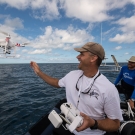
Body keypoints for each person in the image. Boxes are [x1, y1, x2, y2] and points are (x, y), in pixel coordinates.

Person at [30, 42, 123, 135]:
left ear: (93, 58)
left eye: (82, 54)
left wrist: (94, 123)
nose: (77, 57)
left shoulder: (109, 89)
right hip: (69, 128)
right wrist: (39, 72)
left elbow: (115, 124)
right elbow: (56, 83)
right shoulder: (72, 75)